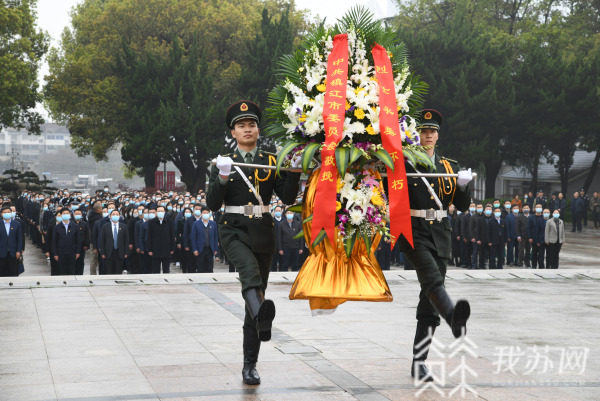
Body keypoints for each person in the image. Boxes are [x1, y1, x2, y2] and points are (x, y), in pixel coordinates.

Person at [206, 100, 301, 385]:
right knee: (249, 275)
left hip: (263, 231)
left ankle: (250, 364)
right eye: (241, 126)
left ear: (258, 130)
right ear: (232, 132)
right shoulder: (223, 161)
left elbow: (286, 198)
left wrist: (294, 171)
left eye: (251, 125)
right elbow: (213, 203)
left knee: (255, 298)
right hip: (233, 229)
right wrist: (222, 177)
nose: (247, 129)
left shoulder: (272, 160)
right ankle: (263, 313)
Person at [395, 109, 472, 382]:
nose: (428, 135)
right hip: (413, 231)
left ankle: (419, 362)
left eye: (432, 131)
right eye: (423, 131)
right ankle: (453, 316)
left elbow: (461, 206)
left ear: (438, 135)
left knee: (429, 297)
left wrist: (463, 186)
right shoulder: (405, 162)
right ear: (417, 134)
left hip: (441, 233)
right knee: (432, 279)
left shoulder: (449, 167)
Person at [52, 208, 81, 275]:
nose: (66, 215)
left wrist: (78, 252)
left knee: (71, 271)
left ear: (70, 215)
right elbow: (54, 241)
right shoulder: (57, 227)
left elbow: (78, 240)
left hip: (72, 253)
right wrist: (55, 254)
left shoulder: (74, 226)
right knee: (62, 272)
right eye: (64, 213)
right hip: (61, 253)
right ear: (61, 215)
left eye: (67, 213)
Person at [147, 205, 175, 273]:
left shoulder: (170, 221)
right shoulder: (151, 222)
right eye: (159, 211)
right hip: (155, 250)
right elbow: (149, 236)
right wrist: (149, 249)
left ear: (164, 212)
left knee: (166, 270)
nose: (160, 212)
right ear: (156, 213)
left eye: (162, 211)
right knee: (156, 270)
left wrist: (172, 248)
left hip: (166, 249)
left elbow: (172, 235)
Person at [99, 210, 129, 274]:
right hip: (109, 252)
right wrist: (102, 253)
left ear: (119, 216)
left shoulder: (124, 226)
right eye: (113, 214)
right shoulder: (105, 226)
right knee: (109, 271)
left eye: (117, 214)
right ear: (110, 216)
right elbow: (102, 240)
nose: (115, 216)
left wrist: (126, 252)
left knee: (118, 271)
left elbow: (126, 241)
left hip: (120, 252)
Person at [191, 206, 219, 273]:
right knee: (200, 268)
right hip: (200, 249)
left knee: (210, 268)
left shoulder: (213, 224)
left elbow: (215, 237)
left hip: (210, 249)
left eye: (207, 213)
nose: (205, 214)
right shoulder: (196, 224)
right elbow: (193, 238)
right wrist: (195, 249)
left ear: (209, 214)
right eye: (204, 213)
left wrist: (216, 249)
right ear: (201, 214)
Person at [277, 208, 303, 272]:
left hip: (296, 247)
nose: (289, 214)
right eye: (288, 213)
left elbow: (301, 236)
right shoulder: (281, 224)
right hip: (285, 248)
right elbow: (279, 237)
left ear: (293, 214)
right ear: (285, 214)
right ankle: (283, 280)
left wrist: (301, 248)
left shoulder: (298, 223)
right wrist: (280, 249)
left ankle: (294, 279)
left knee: (295, 265)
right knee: (285, 264)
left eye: (291, 213)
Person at [0, 205, 23, 277]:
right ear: (1, 214)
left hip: (13, 253)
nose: (7, 213)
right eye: (5, 212)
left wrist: (18, 250)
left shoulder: (17, 224)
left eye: (8, 212)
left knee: (13, 273)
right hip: (1, 253)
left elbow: (19, 238)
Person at [73, 208, 90, 275]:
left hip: (81, 246)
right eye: (76, 214)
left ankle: (80, 274)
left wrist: (86, 245)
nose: (77, 215)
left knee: (80, 262)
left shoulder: (84, 224)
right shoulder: (71, 223)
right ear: (73, 214)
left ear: (81, 215)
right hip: (72, 246)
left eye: (79, 214)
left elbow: (87, 235)